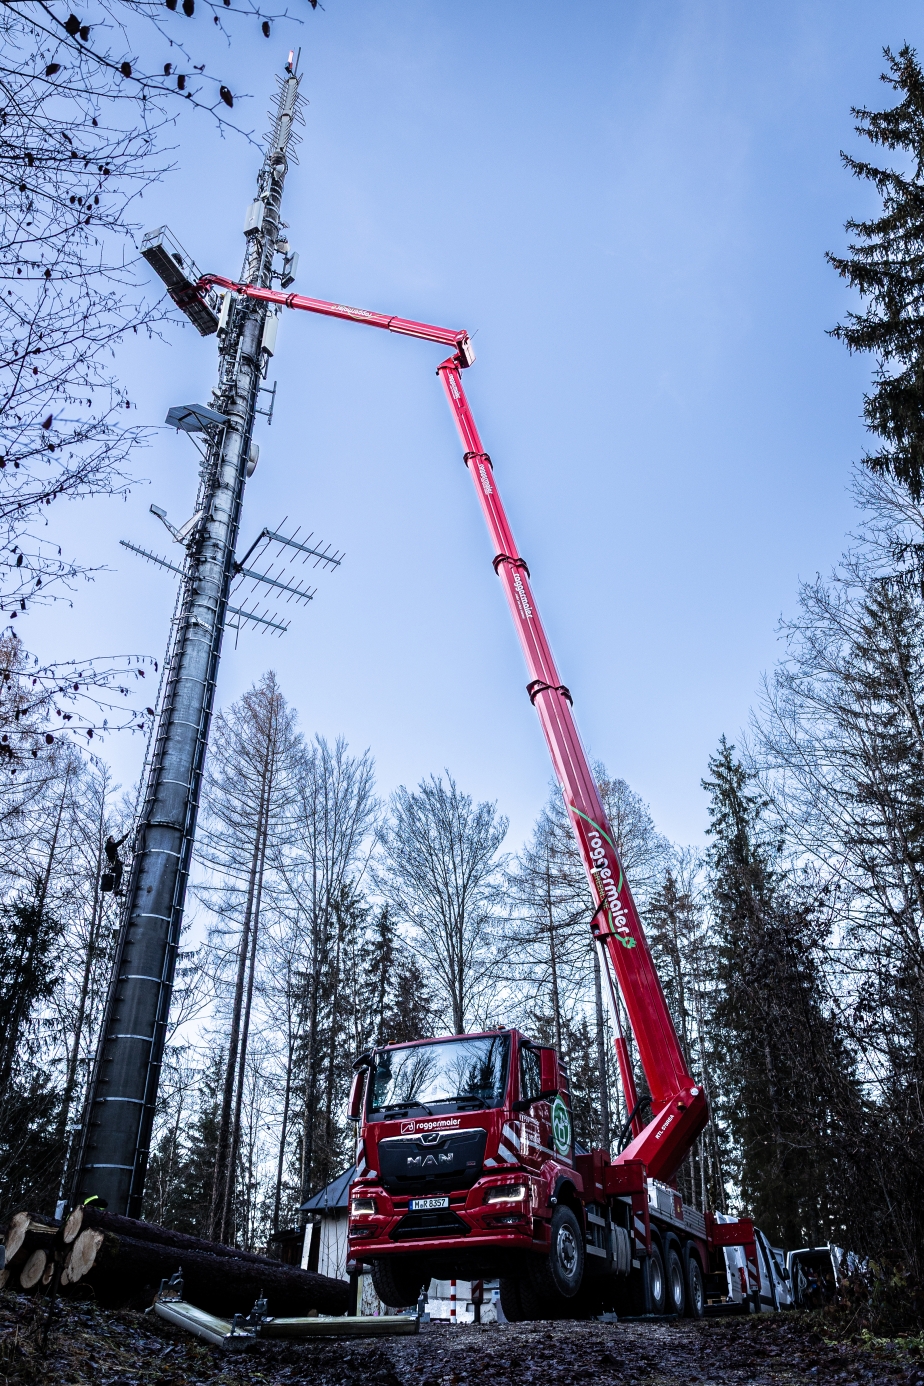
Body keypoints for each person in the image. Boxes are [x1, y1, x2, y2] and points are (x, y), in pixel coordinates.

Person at [105, 831, 130, 895]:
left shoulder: (111, 846)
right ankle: (116, 888)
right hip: (114, 862)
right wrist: (123, 839)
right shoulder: (108, 846)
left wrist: (125, 836)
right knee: (118, 873)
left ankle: (117, 889)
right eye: (112, 839)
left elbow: (116, 845)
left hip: (116, 862)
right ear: (108, 840)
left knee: (120, 873)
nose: (113, 840)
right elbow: (116, 844)